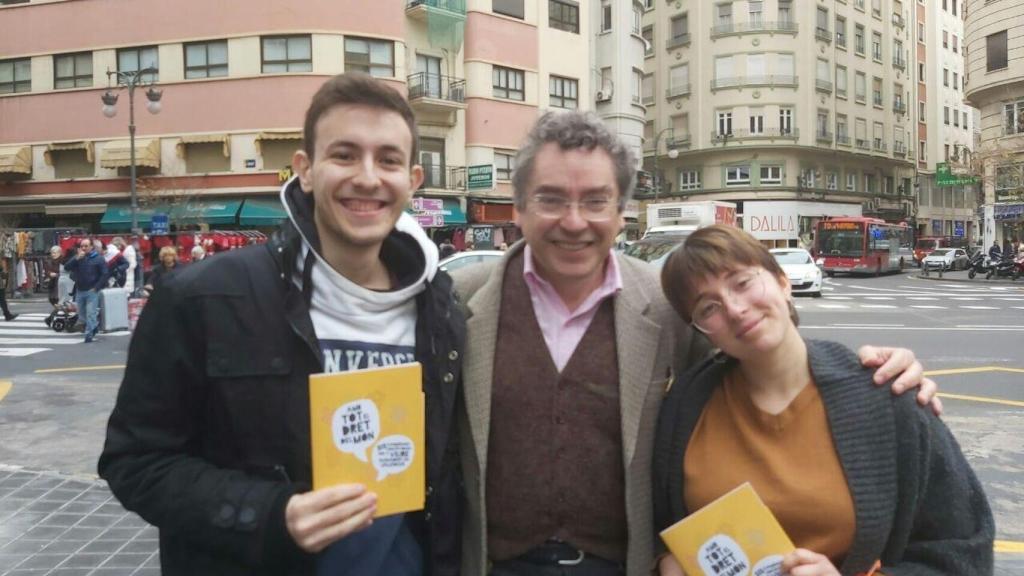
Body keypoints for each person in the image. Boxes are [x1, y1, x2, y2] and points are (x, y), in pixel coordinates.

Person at [450, 110, 938, 576]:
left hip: (627, 565)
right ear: (519, 208)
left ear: (622, 212)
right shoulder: (459, 301)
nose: (574, 221)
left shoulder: (670, 308)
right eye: (551, 199)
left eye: (596, 201)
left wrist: (867, 375)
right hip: (493, 563)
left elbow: (759, 356)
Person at [98, 73, 464, 576]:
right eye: (344, 154)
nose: (367, 177)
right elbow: (135, 462)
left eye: (388, 159)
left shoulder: (441, 307)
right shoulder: (201, 297)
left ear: (413, 181)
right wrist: (271, 515)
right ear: (305, 170)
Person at [653, 225, 993, 575]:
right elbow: (654, 531)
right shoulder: (684, 408)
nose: (736, 309)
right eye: (708, 308)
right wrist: (666, 562)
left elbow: (964, 553)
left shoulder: (884, 394)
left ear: (783, 281)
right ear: (699, 330)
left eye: (742, 283)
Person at [64, 237, 108, 343]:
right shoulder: (78, 257)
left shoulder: (98, 258)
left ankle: (88, 334)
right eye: (81, 246)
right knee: (82, 314)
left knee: (91, 312)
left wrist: (97, 287)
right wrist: (76, 259)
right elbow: (66, 267)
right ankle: (94, 326)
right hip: (80, 289)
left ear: (91, 247)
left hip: (92, 290)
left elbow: (105, 274)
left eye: (86, 246)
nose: (83, 248)